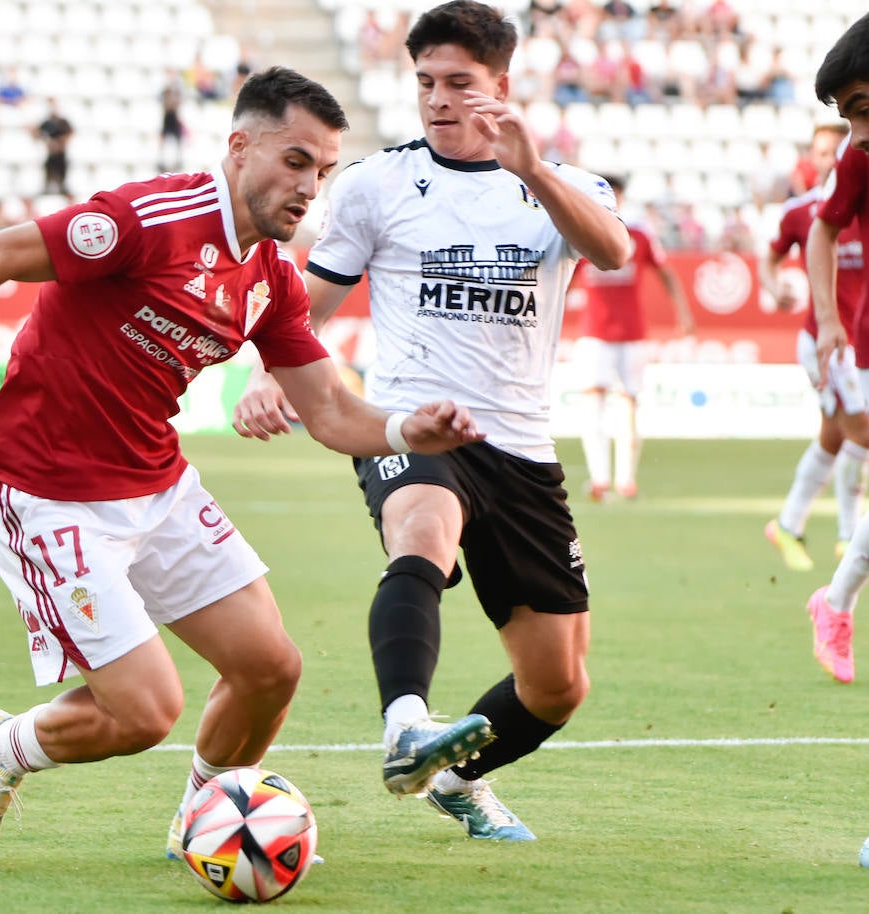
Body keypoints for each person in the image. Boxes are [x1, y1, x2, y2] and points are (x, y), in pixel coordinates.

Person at [0, 66, 485, 864]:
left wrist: (410, 429)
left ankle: (204, 821)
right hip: (49, 493)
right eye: (297, 161)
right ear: (239, 148)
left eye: (325, 171)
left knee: (270, 668)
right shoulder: (152, 219)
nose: (312, 187)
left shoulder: (271, 280)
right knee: (143, 712)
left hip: (157, 486)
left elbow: (334, 413)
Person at [233, 1, 631, 841]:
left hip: (519, 448)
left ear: (502, 87)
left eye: (458, 83)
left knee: (558, 686)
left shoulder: (566, 184)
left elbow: (613, 252)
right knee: (423, 530)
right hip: (411, 424)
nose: (439, 100)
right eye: (425, 83)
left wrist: (534, 169)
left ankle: (453, 777)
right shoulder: (378, 183)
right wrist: (273, 372)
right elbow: (307, 305)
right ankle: (406, 721)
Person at [759, 122, 866, 572]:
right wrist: (774, 286)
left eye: (833, 151)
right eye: (821, 153)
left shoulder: (861, 203)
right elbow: (770, 255)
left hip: (859, 339)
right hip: (824, 341)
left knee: (836, 434)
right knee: (860, 432)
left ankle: (789, 523)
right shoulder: (802, 213)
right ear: (813, 159)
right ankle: (847, 534)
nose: (828, 160)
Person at [802, 12, 869, 684]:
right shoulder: (859, 159)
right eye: (849, 118)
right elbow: (823, 232)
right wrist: (828, 319)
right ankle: (836, 602)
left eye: (865, 109)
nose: (858, 135)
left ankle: (836, 600)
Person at [573, 173, 694, 502]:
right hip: (595, 332)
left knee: (627, 404)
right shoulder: (579, 231)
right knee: (594, 402)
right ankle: (599, 479)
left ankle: (626, 480)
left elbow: (665, 271)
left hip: (632, 333)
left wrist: (682, 311)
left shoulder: (638, 234)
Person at [35, 98, 73, 197]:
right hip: (51, 151)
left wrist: (61, 142)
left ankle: (62, 186)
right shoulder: (47, 122)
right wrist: (49, 142)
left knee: (62, 168)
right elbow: (38, 133)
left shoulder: (63, 121)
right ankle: (48, 186)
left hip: (60, 151)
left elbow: (70, 133)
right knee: (49, 168)